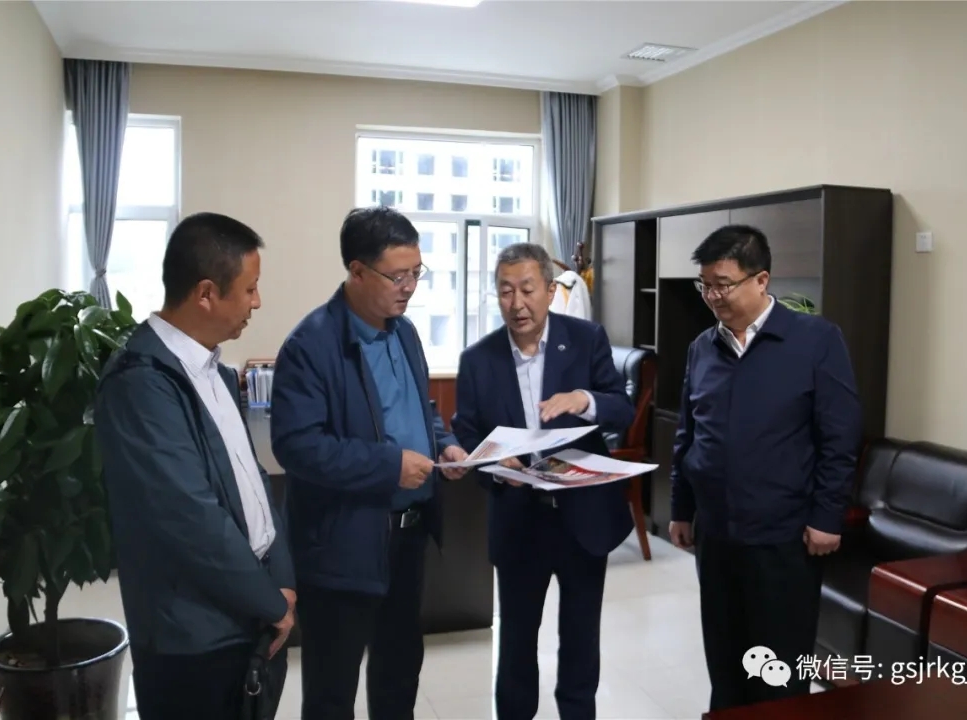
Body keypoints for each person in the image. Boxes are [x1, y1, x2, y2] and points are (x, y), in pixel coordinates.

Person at [269, 205, 470, 720]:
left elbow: (417, 407)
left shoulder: (405, 332)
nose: (410, 288)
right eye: (397, 276)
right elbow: (297, 445)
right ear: (356, 271)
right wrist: (388, 466)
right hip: (343, 545)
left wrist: (443, 442)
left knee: (399, 673)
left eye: (417, 273)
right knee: (333, 689)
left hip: (407, 537)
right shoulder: (311, 345)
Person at [95, 212, 296, 720]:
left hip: (251, 613)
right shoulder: (141, 382)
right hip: (194, 637)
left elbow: (253, 484)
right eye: (249, 289)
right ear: (206, 293)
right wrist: (272, 603)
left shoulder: (216, 372)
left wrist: (283, 580)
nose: (257, 302)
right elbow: (190, 518)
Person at [668, 225, 862, 711]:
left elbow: (839, 437)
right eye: (705, 285)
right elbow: (688, 435)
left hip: (783, 536)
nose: (712, 296)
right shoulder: (702, 347)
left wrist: (827, 516)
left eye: (724, 284)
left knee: (778, 667)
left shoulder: (815, 341)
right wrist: (681, 508)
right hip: (716, 534)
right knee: (725, 659)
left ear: (761, 280)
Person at [452, 242, 635, 720]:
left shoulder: (586, 339)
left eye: (527, 289)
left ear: (550, 291)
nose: (517, 303)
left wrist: (584, 400)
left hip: (582, 519)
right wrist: (494, 466)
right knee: (516, 643)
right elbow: (466, 432)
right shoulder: (478, 359)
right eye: (505, 291)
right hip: (518, 520)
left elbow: (622, 408)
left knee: (580, 640)